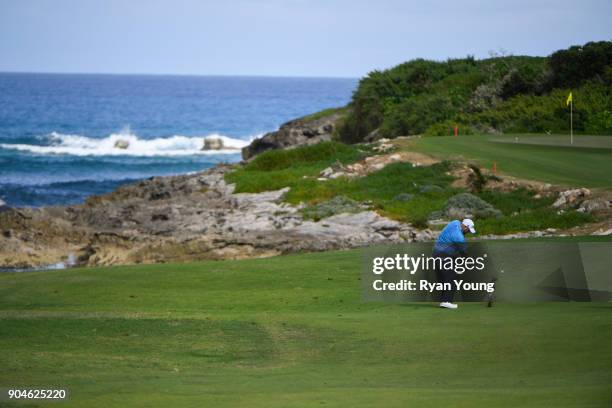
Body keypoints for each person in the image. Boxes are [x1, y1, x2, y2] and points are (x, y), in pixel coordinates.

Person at [432, 218, 476, 309]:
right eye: (468, 230)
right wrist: (469, 261)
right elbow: (464, 252)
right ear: (465, 226)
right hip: (444, 256)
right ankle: (446, 301)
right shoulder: (459, 237)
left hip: (436, 254)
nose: (468, 232)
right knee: (452, 278)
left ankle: (444, 301)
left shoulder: (455, 222)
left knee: (445, 278)